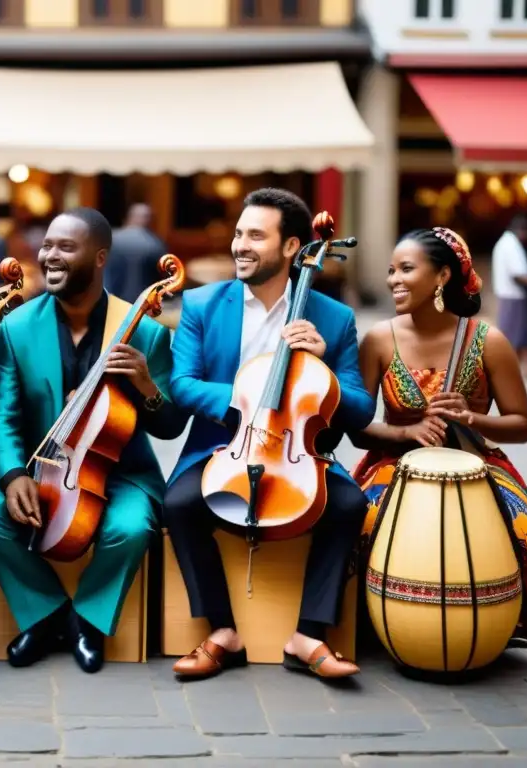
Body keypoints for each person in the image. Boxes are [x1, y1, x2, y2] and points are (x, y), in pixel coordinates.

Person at [163, 188, 375, 681]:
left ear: (290, 247)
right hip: (223, 446)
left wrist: (321, 365)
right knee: (178, 504)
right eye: (239, 233)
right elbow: (183, 384)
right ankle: (222, 631)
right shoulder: (200, 303)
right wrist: (247, 401)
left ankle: (308, 634)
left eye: (255, 236)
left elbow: (361, 409)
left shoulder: (334, 318)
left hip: (300, 450)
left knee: (347, 505)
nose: (240, 244)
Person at [0, 207, 185, 674]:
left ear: (99, 257)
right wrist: (11, 476)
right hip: (38, 461)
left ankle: (87, 621)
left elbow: (170, 425)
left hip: (119, 469)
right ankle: (47, 614)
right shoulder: (18, 326)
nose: (49, 255)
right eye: (47, 245)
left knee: (131, 530)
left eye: (65, 247)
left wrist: (147, 387)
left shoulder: (144, 330)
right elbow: (3, 413)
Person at [351, 226, 527, 648]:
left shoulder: (490, 341)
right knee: (355, 523)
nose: (393, 279)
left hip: (478, 464)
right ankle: (370, 615)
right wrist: (405, 430)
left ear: (441, 276)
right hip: (391, 463)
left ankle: (498, 614)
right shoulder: (380, 339)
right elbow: (358, 428)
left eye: (406, 269)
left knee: (526, 530)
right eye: (390, 270)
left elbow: (521, 425)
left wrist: (474, 420)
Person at [491, 214, 527, 378]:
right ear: (522, 231)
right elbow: (518, 275)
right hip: (512, 296)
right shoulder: (510, 245)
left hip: (514, 296)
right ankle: (505, 373)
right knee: (512, 337)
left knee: (522, 336)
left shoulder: (507, 243)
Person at [104, 203, 167, 303]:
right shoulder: (155, 243)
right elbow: (164, 277)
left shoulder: (109, 238)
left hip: (110, 301)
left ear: (128, 217)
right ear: (150, 221)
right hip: (142, 305)